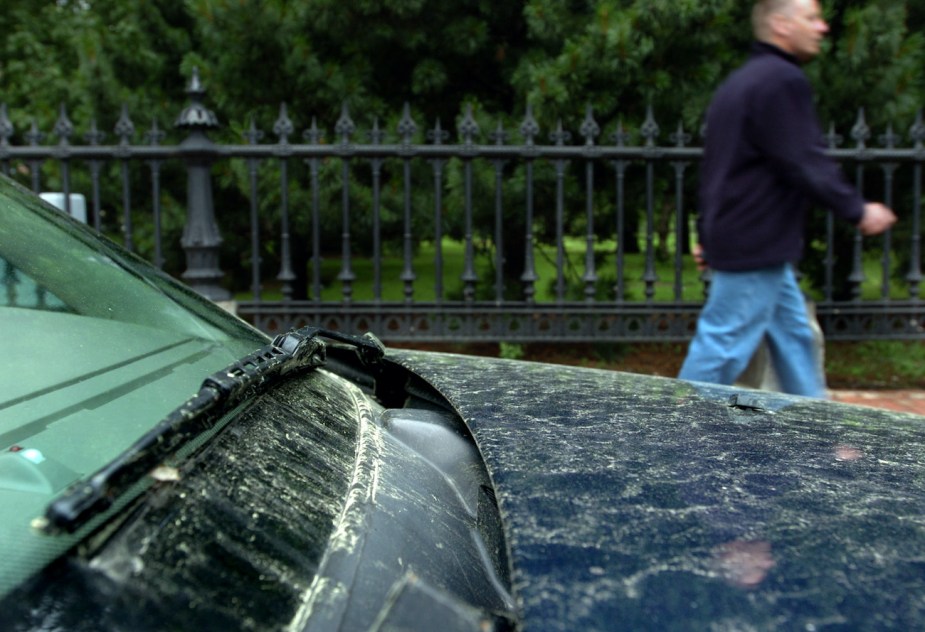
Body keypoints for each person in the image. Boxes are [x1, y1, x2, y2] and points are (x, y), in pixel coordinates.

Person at [678, 0, 897, 398]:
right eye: (811, 18)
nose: (823, 27)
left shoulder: (740, 83)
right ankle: (670, 434)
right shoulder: (780, 81)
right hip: (755, 239)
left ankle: (816, 428)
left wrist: (708, 233)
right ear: (781, 25)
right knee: (723, 345)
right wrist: (858, 209)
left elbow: (717, 171)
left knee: (795, 339)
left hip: (751, 238)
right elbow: (804, 160)